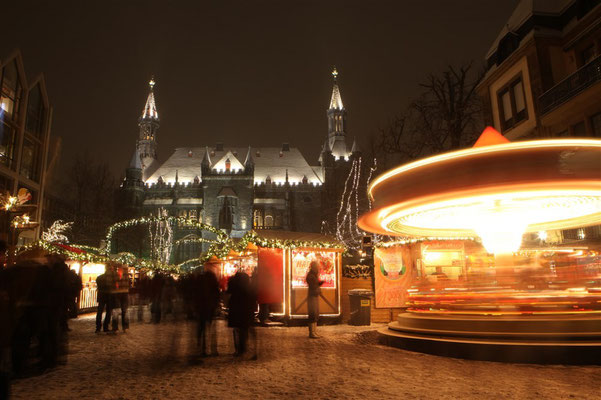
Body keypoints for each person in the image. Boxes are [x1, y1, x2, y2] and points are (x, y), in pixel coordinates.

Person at [305, 261, 324, 339]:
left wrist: (319, 283)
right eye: (317, 266)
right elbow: (313, 285)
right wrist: (318, 284)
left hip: (314, 295)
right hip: (312, 296)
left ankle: (314, 332)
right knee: (312, 314)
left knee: (315, 314)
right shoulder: (311, 275)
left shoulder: (313, 275)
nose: (318, 268)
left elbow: (315, 284)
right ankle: (312, 332)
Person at [95, 268, 112, 333]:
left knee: (100, 311)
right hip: (108, 296)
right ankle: (105, 327)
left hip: (101, 296)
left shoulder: (99, 277)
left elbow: (98, 286)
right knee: (108, 312)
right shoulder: (110, 279)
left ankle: (98, 327)